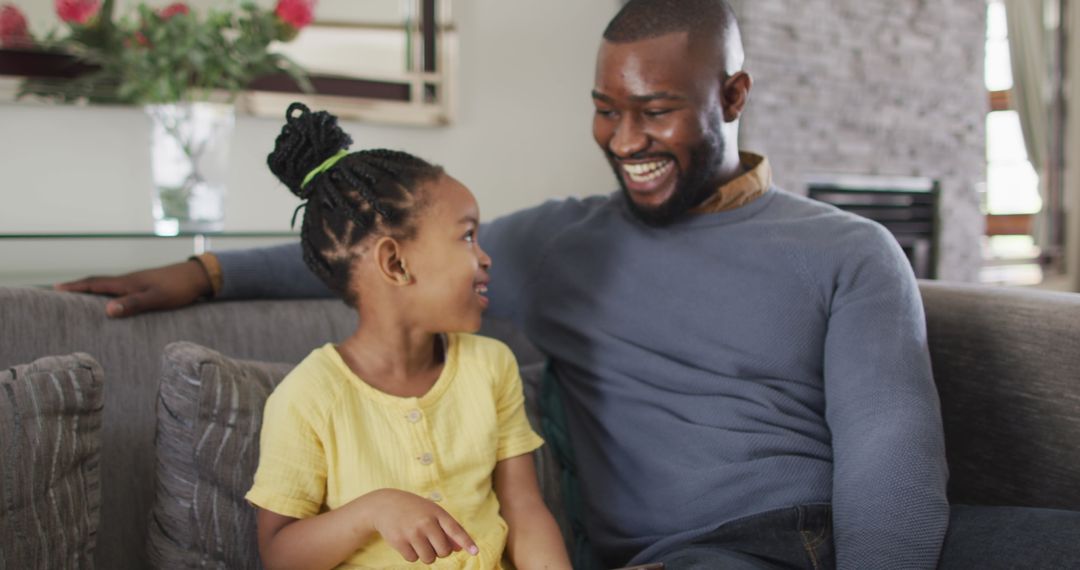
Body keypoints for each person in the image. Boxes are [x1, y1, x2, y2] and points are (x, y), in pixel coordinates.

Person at [58, 1, 1080, 569]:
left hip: (849, 538)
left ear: (732, 95)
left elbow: (892, 466)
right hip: (696, 555)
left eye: (656, 110)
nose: (624, 141)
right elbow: (376, 253)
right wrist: (203, 271)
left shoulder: (851, 252)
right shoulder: (555, 244)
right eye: (605, 109)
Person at [244, 102, 571, 570]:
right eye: (467, 237)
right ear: (395, 263)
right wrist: (371, 511)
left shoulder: (491, 365)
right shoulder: (308, 397)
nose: (485, 257)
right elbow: (279, 556)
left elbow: (524, 510)